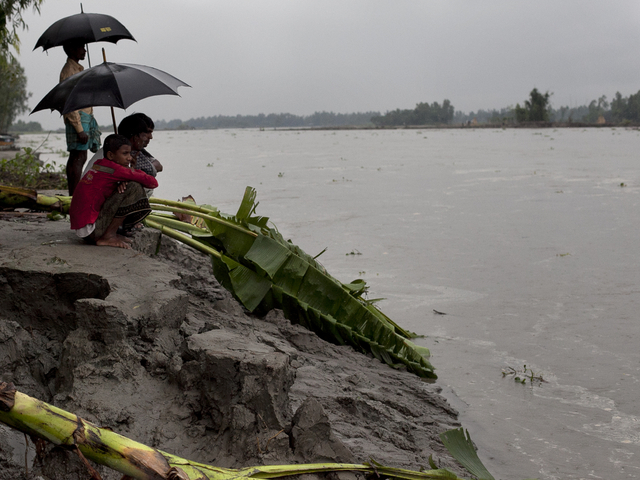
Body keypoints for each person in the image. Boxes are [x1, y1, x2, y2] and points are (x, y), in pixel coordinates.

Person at [70, 134, 158, 249]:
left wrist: (122, 180)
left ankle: (110, 233)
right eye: (125, 153)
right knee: (133, 187)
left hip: (84, 229)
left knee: (127, 185)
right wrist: (132, 172)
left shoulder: (99, 164)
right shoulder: (117, 170)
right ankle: (108, 236)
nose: (129, 158)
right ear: (111, 155)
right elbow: (153, 183)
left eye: (130, 153)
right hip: (91, 231)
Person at [60, 39, 101, 195]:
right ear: (70, 50)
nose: (84, 51)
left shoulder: (77, 69)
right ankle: (74, 194)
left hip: (83, 116)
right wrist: (79, 129)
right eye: (80, 47)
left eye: (84, 47)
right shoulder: (69, 71)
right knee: (78, 157)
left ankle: (74, 193)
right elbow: (69, 102)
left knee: (79, 157)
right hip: (77, 118)